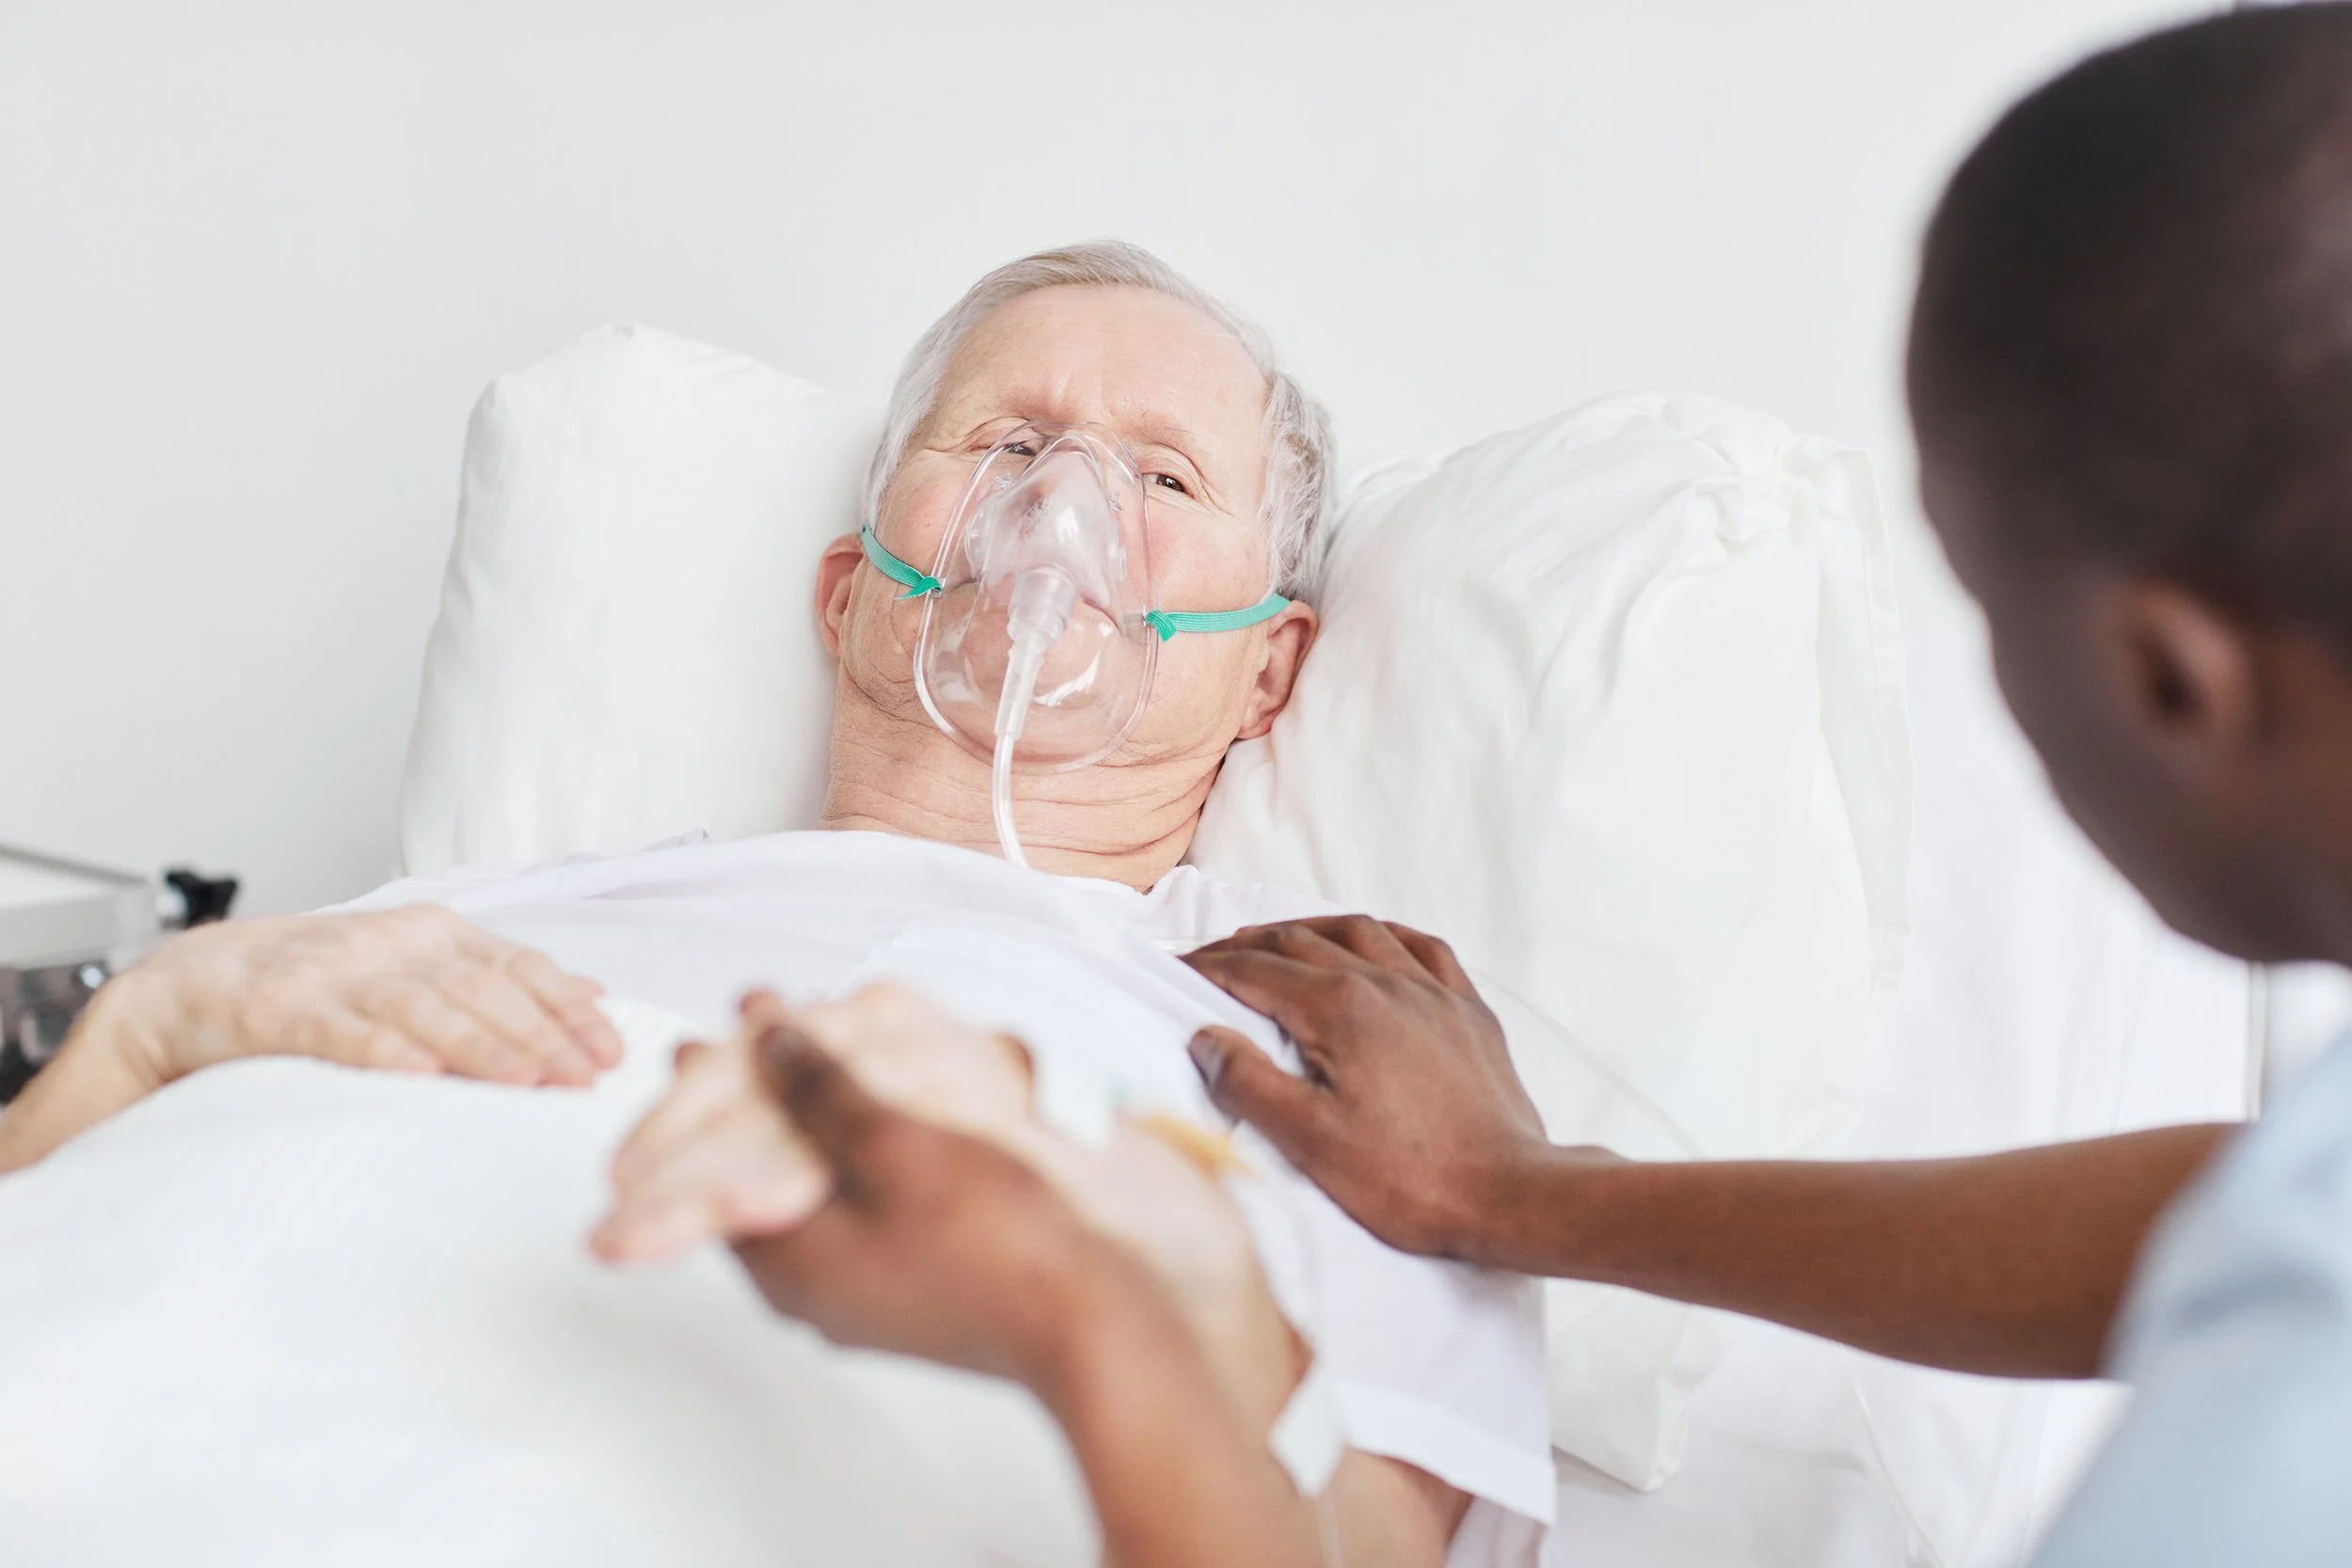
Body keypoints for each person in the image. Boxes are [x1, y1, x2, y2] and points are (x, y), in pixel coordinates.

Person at [0, 243, 1549, 1564]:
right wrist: (133, 1039)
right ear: (850, 591)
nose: (1061, 505)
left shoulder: (1346, 1063)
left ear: (1269, 666)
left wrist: (1085, 1308)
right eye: (1007, 441)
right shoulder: (475, 906)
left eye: (1164, 475)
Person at [1179, 8, 2352, 1562]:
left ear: (2172, 679)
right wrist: (1522, 1192)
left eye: (1989, 608)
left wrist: (1077, 1329)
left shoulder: (2285, 1427)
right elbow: (2235, 1209)